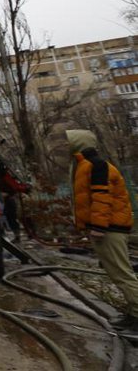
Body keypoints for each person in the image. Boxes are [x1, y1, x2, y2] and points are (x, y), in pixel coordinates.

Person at [67, 129, 138, 332]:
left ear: (79, 143)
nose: (66, 145)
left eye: (69, 141)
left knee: (122, 274)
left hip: (109, 229)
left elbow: (101, 197)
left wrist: (98, 226)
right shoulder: (84, 165)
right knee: (118, 273)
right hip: (108, 227)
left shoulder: (96, 166)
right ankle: (133, 314)